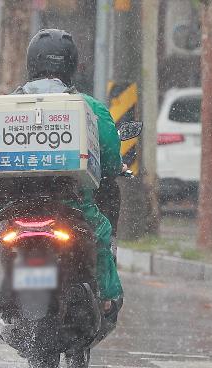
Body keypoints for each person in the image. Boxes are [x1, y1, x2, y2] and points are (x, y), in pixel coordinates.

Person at [12, 29, 124, 315]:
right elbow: (110, 160)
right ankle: (107, 299)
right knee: (101, 231)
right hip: (71, 204)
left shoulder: (7, 104)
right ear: (71, 64)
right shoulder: (90, 107)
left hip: (15, 205)